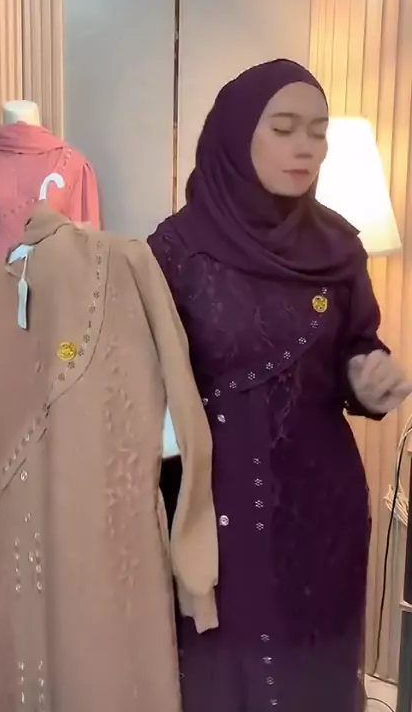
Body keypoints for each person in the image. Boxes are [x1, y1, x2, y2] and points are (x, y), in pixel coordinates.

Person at [149, 60, 411, 712]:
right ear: (238, 134)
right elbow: (141, 377)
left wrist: (369, 376)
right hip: (214, 501)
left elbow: (357, 344)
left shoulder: (338, 247)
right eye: (285, 128)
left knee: (313, 672)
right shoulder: (175, 251)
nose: (307, 148)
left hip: (320, 505)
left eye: (318, 132)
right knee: (222, 672)